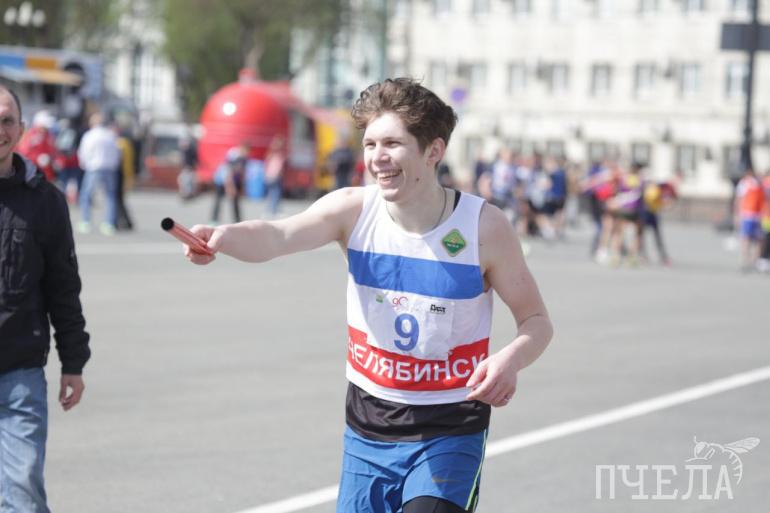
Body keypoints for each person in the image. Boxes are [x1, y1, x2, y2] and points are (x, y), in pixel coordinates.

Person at [181, 78, 552, 513]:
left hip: (450, 429)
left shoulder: (483, 227)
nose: (377, 157)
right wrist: (223, 237)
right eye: (370, 144)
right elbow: (278, 235)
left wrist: (511, 360)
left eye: (392, 143)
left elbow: (536, 322)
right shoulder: (353, 210)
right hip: (368, 427)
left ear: (433, 151)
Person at [0, 86, 91, 513]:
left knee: (22, 496)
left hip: (19, 376)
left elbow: (63, 287)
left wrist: (73, 361)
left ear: (21, 128)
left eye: (6, 120)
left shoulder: (46, 201)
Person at [77, 112, 121, 235]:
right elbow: (117, 152)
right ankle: (109, 223)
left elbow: (84, 152)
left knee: (86, 194)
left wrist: (84, 164)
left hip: (93, 167)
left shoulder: (89, 135)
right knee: (110, 196)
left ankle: (86, 221)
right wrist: (114, 165)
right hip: (109, 168)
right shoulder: (110, 135)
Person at [734, 167, 765, 271]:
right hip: (753, 215)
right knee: (753, 239)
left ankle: (749, 261)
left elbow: (739, 199)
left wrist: (737, 214)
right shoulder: (754, 183)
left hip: (751, 215)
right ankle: (751, 260)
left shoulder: (749, 183)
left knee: (750, 239)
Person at [211, 143, 248, 224]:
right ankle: (214, 220)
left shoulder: (244, 159)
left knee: (235, 201)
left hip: (233, 181)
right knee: (219, 200)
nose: (246, 153)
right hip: (222, 180)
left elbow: (242, 173)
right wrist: (230, 187)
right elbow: (228, 174)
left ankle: (237, 221)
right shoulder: (234, 156)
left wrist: (242, 186)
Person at [263, 135, 287, 218]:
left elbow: (266, 163)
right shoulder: (278, 154)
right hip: (274, 176)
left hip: (270, 175)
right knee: (276, 193)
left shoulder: (271, 154)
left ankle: (270, 210)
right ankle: (273, 210)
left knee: (272, 194)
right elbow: (280, 166)